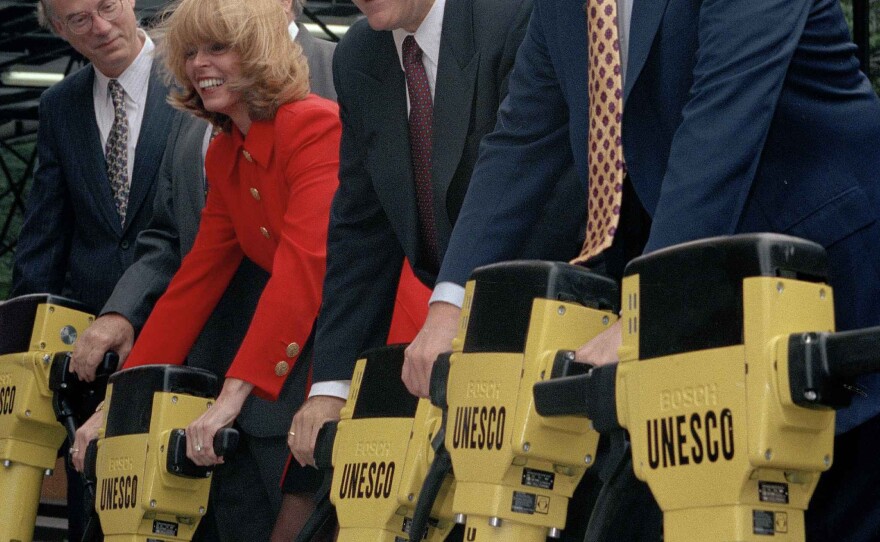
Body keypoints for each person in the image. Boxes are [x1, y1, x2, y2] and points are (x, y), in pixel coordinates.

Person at [407, 0, 880, 540]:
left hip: (835, 307)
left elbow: (721, 124)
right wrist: (449, 307)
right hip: (711, 327)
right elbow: (522, 139)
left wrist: (642, 313)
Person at [69, 0, 339, 537]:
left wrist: (232, 396)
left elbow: (302, 272)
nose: (199, 64)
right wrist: (119, 403)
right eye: (190, 52)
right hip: (280, 364)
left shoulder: (314, 125)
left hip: (347, 351)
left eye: (219, 48)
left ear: (259, 52)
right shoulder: (226, 153)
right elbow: (192, 283)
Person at [287, 0, 587, 470]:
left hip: (555, 310)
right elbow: (362, 232)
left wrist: (453, 307)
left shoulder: (511, 17)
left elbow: (533, 182)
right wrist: (333, 386)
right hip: (453, 354)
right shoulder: (359, 54)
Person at [13, 0, 176, 537]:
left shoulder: (195, 73)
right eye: (79, 19)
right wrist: (18, 351)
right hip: (91, 364)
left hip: (183, 338)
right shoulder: (60, 105)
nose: (101, 27)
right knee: (95, 517)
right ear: (60, 30)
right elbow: (44, 233)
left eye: (107, 6)